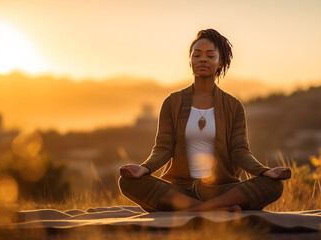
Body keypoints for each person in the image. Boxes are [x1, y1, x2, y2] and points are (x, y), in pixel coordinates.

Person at [119, 29, 291, 212]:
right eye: (197, 55)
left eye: (210, 55)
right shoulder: (172, 102)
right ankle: (212, 209)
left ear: (221, 62)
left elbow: (240, 151)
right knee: (128, 182)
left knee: (273, 185)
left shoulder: (233, 106)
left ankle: (198, 208)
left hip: (221, 188)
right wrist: (144, 169)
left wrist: (265, 172)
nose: (203, 59)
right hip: (180, 188)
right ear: (190, 61)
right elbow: (163, 148)